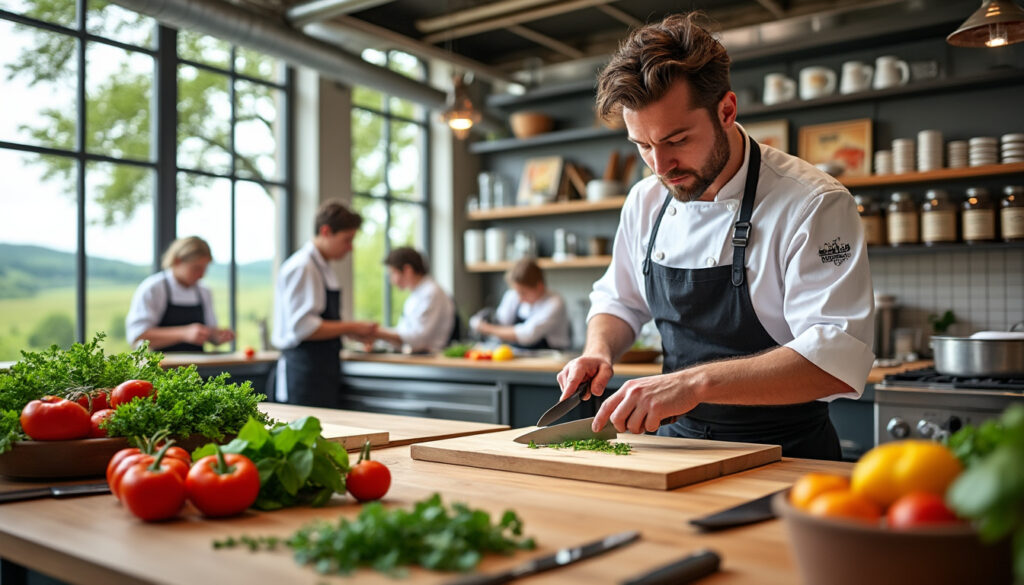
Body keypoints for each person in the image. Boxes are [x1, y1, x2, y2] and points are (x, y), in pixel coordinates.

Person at [555, 13, 874, 460]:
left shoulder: (813, 202)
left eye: (677, 139)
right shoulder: (646, 200)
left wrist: (694, 384)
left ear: (726, 110)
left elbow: (837, 359)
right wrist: (599, 350)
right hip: (676, 451)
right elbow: (619, 301)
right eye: (642, 146)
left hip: (787, 456)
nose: (660, 166)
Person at [272, 199, 378, 407]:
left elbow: (319, 321)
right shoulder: (303, 267)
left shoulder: (322, 267)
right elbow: (304, 327)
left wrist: (350, 332)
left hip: (321, 371)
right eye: (347, 240)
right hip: (303, 373)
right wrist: (352, 326)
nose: (350, 248)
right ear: (326, 231)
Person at [125, 236, 234, 352]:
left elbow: (210, 332)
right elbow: (137, 337)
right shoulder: (153, 288)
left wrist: (215, 337)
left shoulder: (204, 291)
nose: (202, 275)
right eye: (196, 268)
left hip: (199, 368)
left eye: (204, 268)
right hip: (161, 367)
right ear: (177, 261)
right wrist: (184, 334)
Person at [364, 247, 456, 353]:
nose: (391, 280)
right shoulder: (417, 295)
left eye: (393, 273)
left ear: (407, 270)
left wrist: (377, 333)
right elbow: (404, 331)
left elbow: (417, 339)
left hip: (429, 359)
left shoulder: (431, 293)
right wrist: (378, 337)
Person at [470, 258, 571, 351]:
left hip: (551, 357)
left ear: (539, 286)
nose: (519, 298)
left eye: (523, 293)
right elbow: (502, 322)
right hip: (519, 354)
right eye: (517, 292)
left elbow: (528, 335)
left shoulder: (555, 302)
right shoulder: (513, 295)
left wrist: (485, 328)